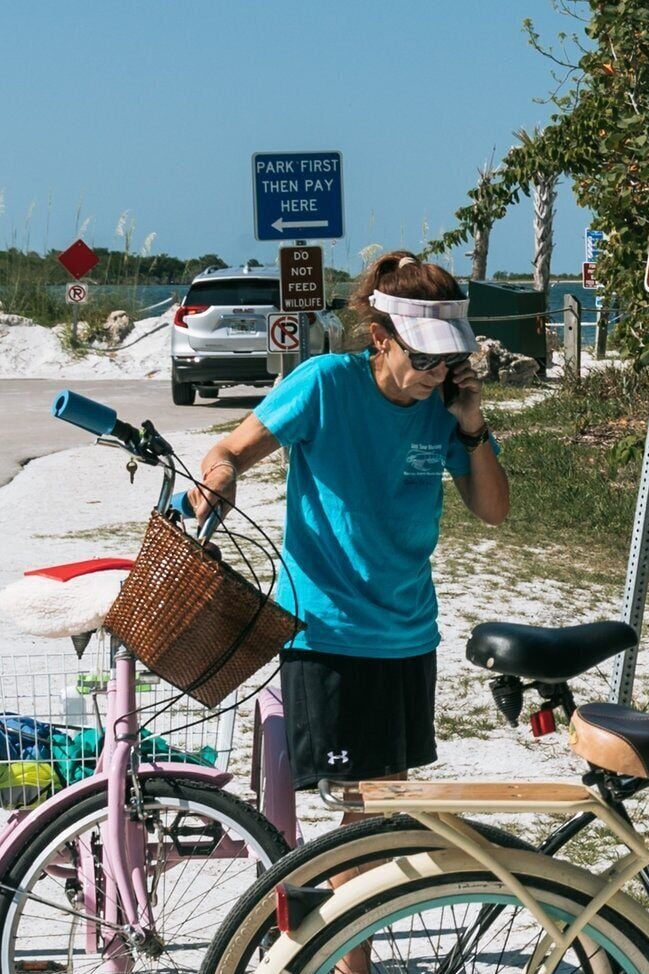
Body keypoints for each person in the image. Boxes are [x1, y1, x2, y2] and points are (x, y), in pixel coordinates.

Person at [186, 252, 509, 792]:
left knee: (387, 797)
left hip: (406, 633)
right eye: (424, 357)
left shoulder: (445, 407)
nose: (437, 372)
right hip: (328, 631)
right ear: (381, 337)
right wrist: (221, 474)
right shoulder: (326, 384)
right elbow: (229, 451)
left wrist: (472, 424)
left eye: (448, 357)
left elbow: (494, 510)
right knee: (351, 807)